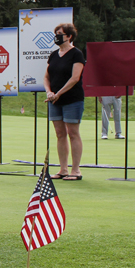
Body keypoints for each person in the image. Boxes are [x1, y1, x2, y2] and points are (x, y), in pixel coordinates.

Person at [44, 23, 85, 181]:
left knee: (73, 133)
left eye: (60, 33)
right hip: (54, 100)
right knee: (60, 134)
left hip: (72, 99)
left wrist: (58, 94)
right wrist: (49, 92)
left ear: (69, 36)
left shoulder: (76, 54)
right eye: (56, 33)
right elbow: (46, 76)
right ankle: (63, 169)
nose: (57, 36)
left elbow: (75, 78)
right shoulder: (54, 55)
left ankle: (76, 170)